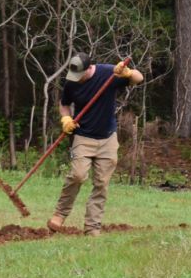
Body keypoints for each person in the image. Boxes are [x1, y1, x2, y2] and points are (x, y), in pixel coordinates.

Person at [47, 52, 144, 236]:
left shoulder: (109, 73)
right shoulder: (72, 82)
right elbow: (64, 103)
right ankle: (59, 215)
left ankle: (92, 228)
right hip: (83, 137)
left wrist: (128, 73)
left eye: (80, 75)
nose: (76, 79)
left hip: (107, 138)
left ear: (90, 68)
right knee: (77, 175)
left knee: (101, 183)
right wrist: (66, 118)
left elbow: (139, 78)